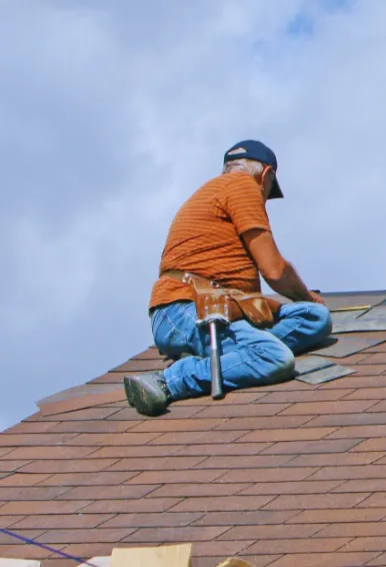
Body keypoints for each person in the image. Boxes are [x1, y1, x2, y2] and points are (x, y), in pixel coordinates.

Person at [123, 140, 332, 415]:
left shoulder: (214, 191)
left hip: (207, 309)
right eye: (268, 191)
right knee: (274, 358)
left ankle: (228, 356)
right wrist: (307, 295)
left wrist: (310, 304)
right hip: (189, 309)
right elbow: (274, 271)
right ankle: (169, 381)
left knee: (313, 317)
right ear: (266, 175)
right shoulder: (242, 185)